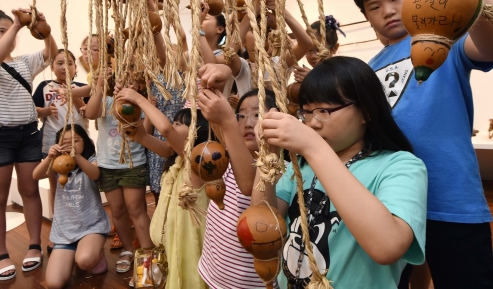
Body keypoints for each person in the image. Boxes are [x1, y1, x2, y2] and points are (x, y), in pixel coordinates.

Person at [352, 0, 493, 288]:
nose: (387, 11)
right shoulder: (368, 69)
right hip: (391, 205)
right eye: (374, 6)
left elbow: (487, 47)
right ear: (367, 17)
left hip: (452, 200)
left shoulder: (448, 38)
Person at [255, 56, 427, 288]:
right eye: (306, 112)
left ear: (366, 111)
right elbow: (263, 222)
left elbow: (388, 246)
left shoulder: (401, 166)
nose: (312, 123)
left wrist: (312, 146)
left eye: (324, 110)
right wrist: (268, 153)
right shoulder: (303, 167)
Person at [116, 64, 233, 289]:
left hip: (189, 242)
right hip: (173, 238)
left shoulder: (196, 162)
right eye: (176, 121)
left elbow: (167, 131)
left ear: (196, 133)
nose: (173, 125)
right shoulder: (176, 159)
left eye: (181, 123)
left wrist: (138, 100)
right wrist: (129, 110)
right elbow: (142, 135)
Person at [0, 8, 58, 280]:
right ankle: (0, 255)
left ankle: (33, 245)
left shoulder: (23, 63)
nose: (9, 35)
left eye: (10, 30)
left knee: (30, 191)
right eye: (1, 30)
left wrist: (45, 29)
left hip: (29, 135)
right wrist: (18, 24)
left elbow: (50, 54)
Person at [197, 88, 281, 288]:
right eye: (240, 116)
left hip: (247, 282)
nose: (248, 122)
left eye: (257, 115)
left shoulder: (276, 170)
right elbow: (210, 100)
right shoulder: (228, 152)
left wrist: (268, 150)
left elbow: (253, 196)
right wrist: (219, 75)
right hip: (215, 269)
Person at [84, 66, 152, 275]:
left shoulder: (139, 101)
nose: (125, 79)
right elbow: (90, 113)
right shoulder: (104, 101)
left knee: (136, 209)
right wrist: (99, 85)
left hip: (133, 163)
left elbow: (146, 132)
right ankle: (129, 250)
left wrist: (141, 104)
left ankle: (148, 254)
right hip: (107, 165)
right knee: (118, 210)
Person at [33, 124, 110, 288]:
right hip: (65, 232)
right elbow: (36, 175)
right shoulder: (58, 164)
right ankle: (78, 251)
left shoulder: (91, 160)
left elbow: (95, 174)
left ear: (85, 142)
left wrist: (76, 157)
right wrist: (49, 157)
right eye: (65, 142)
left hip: (91, 227)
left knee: (84, 261)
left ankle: (96, 252)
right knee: (54, 283)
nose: (70, 144)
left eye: (75, 140)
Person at [32, 49, 88, 253]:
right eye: (60, 63)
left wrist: (72, 94)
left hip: (81, 146)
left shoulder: (83, 88)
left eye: (70, 63)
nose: (65, 67)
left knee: (84, 187)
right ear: (52, 66)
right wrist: (46, 111)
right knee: (57, 189)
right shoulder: (44, 87)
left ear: (75, 67)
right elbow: (33, 109)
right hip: (53, 146)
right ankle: (58, 231)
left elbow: (88, 114)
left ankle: (85, 228)